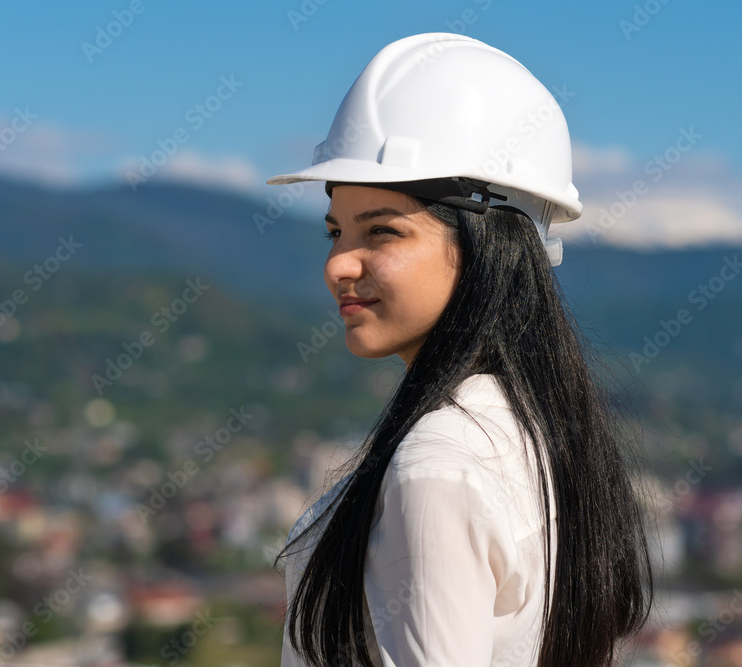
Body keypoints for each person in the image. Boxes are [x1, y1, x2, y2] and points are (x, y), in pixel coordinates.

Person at [265, 33, 654, 666]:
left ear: (487, 244)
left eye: (383, 230)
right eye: (336, 231)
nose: (338, 264)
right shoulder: (529, 432)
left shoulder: (438, 465)